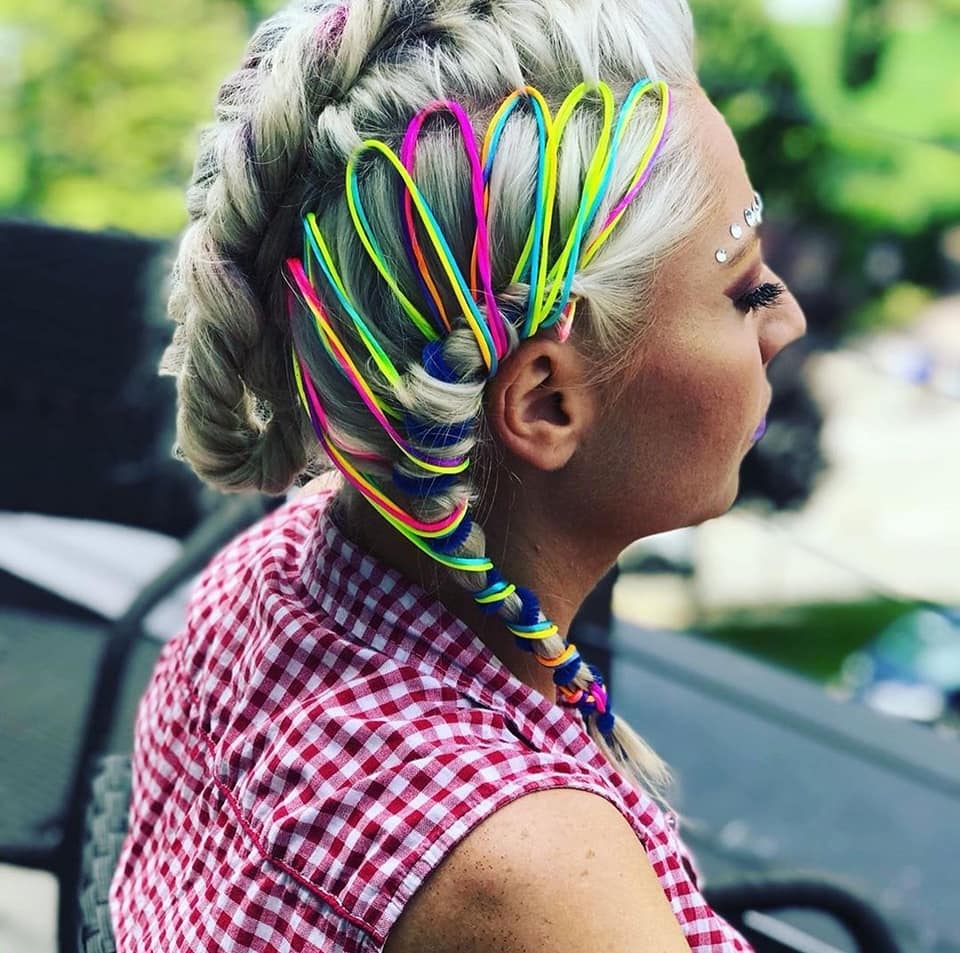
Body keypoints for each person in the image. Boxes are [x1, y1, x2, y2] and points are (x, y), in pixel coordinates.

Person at [111, 0, 806, 949]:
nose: (786, 320)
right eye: (744, 289)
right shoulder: (530, 872)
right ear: (546, 403)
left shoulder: (274, 572)